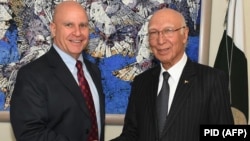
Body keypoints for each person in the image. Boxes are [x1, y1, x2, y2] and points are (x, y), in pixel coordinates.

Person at [111, 8, 234, 141]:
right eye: (153, 32)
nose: (160, 40)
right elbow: (131, 134)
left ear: (185, 35)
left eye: (168, 31)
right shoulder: (141, 82)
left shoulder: (212, 80)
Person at [10, 1, 105, 141]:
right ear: (53, 29)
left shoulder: (94, 71)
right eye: (69, 25)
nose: (78, 33)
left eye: (83, 25)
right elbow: (30, 134)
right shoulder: (31, 75)